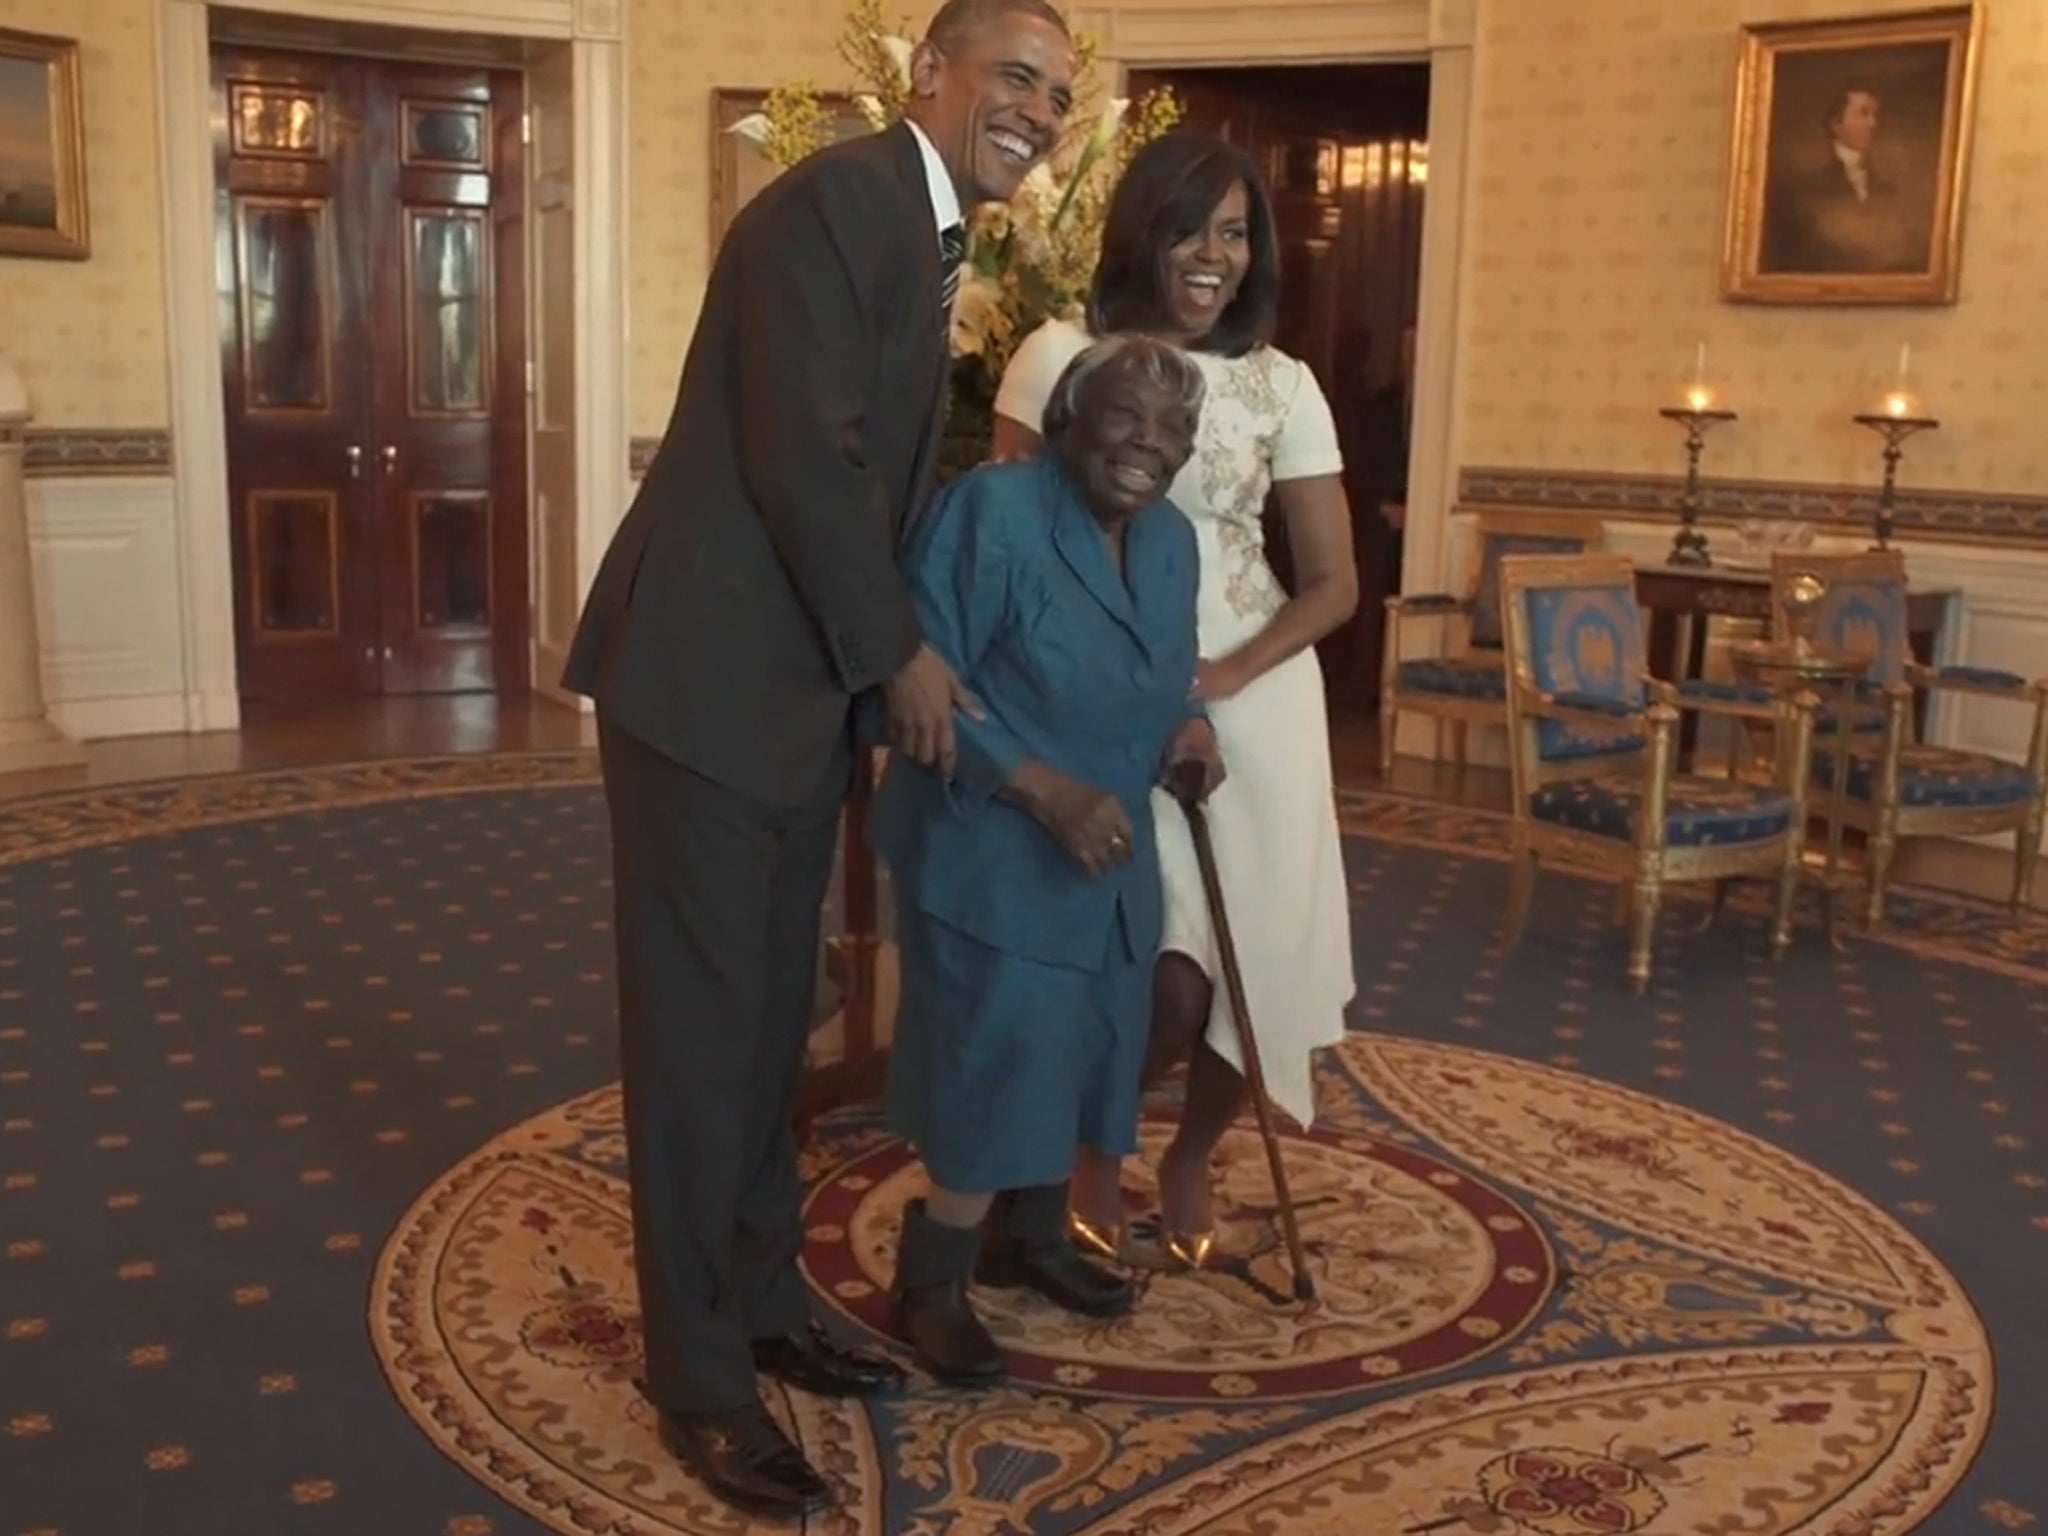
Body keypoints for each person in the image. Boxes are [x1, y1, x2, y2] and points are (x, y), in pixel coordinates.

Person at [559, 0, 1075, 1518]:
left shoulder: (921, 233)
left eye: (1058, 92)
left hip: (782, 703)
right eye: (1015, 78)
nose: (1038, 111)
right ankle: (701, 1380)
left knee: (770, 1029)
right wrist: (899, 658)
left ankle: (767, 1309)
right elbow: (809, 457)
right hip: (707, 693)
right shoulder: (840, 201)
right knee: (703, 1048)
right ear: (931, 72)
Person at [990, 129, 1357, 1269]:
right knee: (1157, 969)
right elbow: (1006, 547)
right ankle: (1082, 1164)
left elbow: (1336, 580)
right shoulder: (1054, 354)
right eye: (1191, 228)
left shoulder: (1281, 384)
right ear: (1140, 233)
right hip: (1099, 702)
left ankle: (1189, 1156)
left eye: (1237, 234)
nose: (1213, 257)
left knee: (1256, 959)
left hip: (1253, 700)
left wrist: (1229, 673)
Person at [872, 334, 1223, 1384]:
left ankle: (1027, 1243)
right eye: (1123, 417)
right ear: (1067, 418)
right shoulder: (993, 511)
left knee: (1086, 1051)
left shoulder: (1169, 543)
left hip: (1108, 851)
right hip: (989, 841)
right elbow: (919, 690)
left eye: (1171, 431)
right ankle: (928, 1282)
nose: (1146, 446)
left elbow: (1167, 668)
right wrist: (1041, 787)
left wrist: (1191, 731)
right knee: (1000, 1060)